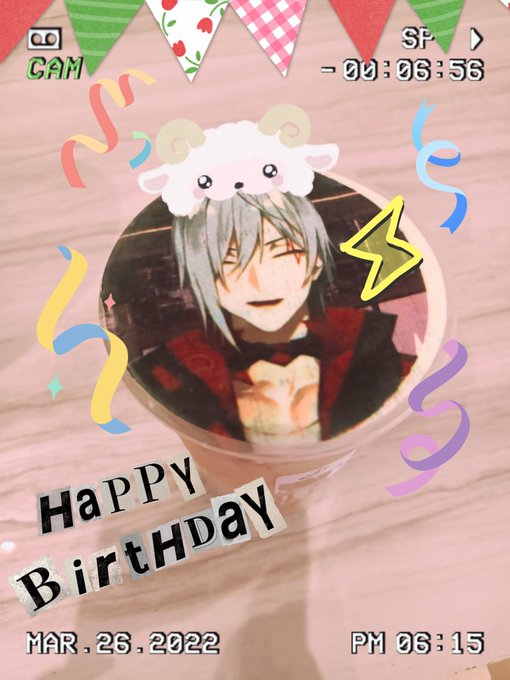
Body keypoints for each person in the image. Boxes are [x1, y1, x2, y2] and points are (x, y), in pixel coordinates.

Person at [132, 191, 408, 444]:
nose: (259, 282)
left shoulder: (369, 351)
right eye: (229, 260)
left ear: (316, 262)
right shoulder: (170, 372)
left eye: (282, 252)